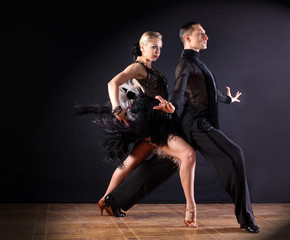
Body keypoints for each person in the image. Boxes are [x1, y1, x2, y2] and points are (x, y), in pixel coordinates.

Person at [103, 22, 259, 233]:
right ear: (187, 38)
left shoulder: (183, 65)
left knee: (156, 164)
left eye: (160, 47)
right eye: (201, 34)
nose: (206, 37)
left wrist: (228, 99)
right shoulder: (175, 64)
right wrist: (118, 108)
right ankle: (238, 217)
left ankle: (112, 200)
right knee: (228, 155)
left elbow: (202, 91)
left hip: (168, 120)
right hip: (183, 122)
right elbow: (177, 92)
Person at [81, 31, 198, 228]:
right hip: (154, 125)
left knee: (131, 162)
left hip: (160, 120)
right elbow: (113, 83)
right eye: (154, 46)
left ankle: (104, 199)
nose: (158, 51)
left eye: (160, 47)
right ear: (142, 46)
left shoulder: (150, 69)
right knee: (187, 154)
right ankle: (191, 208)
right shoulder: (137, 67)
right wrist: (117, 109)